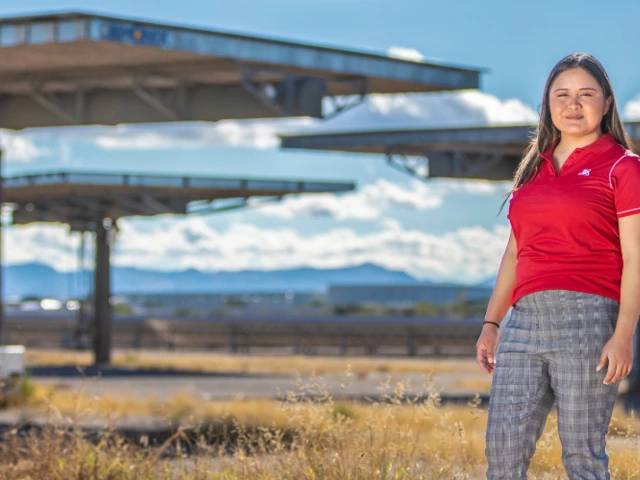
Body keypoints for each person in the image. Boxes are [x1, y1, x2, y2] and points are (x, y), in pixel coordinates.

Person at [476, 53, 640, 479]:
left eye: (586, 94)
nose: (573, 104)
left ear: (606, 103)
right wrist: (492, 323)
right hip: (523, 322)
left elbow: (636, 257)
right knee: (503, 453)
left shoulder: (625, 168)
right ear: (547, 103)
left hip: (590, 320)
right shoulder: (532, 171)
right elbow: (515, 252)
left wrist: (623, 336)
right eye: (561, 95)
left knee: (582, 458)